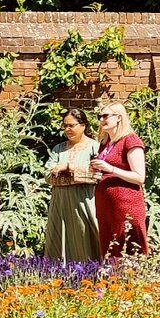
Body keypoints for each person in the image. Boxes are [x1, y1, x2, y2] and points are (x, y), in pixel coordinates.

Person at [90, 102, 149, 257]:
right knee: (110, 250)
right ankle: (112, 281)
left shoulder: (130, 140)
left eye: (105, 116)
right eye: (99, 116)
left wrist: (111, 169)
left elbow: (139, 177)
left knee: (128, 249)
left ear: (118, 118)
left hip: (125, 206)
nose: (101, 120)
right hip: (106, 206)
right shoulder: (105, 143)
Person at [43, 109, 101, 262]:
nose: (67, 129)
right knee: (58, 241)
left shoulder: (95, 148)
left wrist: (68, 167)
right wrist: (77, 176)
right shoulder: (59, 149)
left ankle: (91, 277)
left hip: (84, 203)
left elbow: (96, 175)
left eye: (71, 126)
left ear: (83, 125)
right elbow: (48, 176)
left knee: (85, 239)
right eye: (65, 126)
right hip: (60, 204)